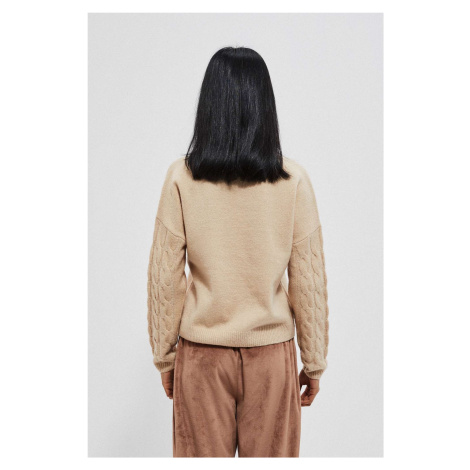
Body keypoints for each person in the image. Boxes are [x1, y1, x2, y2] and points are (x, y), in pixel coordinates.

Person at [147, 47, 329, 458]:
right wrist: (314, 361)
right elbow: (308, 280)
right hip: (272, 359)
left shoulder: (182, 177)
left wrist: (165, 357)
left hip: (202, 357)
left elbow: (165, 275)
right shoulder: (293, 180)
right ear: (265, 105)